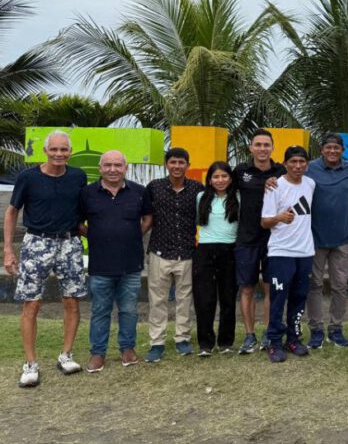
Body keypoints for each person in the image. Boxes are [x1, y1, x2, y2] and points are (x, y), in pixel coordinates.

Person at [4, 130, 87, 387]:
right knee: (32, 304)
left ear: (70, 152)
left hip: (70, 243)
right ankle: (30, 363)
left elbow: (82, 215)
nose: (59, 154)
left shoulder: (78, 177)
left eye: (64, 150)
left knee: (71, 301)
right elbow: (11, 212)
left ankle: (66, 355)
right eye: (54, 149)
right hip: (36, 242)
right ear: (45, 151)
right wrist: (8, 250)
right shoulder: (27, 177)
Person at [79, 151, 152, 373]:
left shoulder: (139, 192)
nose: (113, 169)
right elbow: (77, 222)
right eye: (108, 165)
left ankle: (127, 349)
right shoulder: (87, 193)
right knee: (100, 310)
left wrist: (132, 234)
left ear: (125, 167)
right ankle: (98, 353)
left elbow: (148, 218)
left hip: (130, 263)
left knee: (129, 310)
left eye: (118, 165)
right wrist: (94, 236)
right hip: (100, 264)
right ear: (100, 168)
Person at [143, 147, 204, 362]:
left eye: (181, 163)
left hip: (187, 252)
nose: (177, 166)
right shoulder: (154, 188)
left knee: (184, 299)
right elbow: (146, 218)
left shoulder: (197, 188)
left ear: (188, 165)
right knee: (157, 299)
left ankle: (182, 339)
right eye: (173, 162)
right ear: (166, 164)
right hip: (159, 252)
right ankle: (157, 342)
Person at [261, 146, 316, 362]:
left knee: (299, 298)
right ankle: (274, 342)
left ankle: (293, 339)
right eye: (293, 162)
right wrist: (279, 218)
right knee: (278, 298)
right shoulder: (275, 186)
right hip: (280, 252)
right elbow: (264, 222)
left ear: (307, 165)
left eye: (302, 162)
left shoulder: (310, 184)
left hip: (305, 252)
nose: (297, 166)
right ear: (285, 164)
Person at [233, 129, 286, 354]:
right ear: (251, 148)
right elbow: (219, 188)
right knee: (246, 288)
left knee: (270, 288)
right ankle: (249, 335)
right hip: (246, 238)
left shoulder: (281, 171)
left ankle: (268, 333)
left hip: (275, 239)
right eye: (258, 145)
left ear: (273, 148)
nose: (262, 149)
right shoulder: (240, 171)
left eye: (267, 145)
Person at [305, 134, 348, 349]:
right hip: (315, 238)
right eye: (329, 148)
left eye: (336, 148)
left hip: (343, 238)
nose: (333, 151)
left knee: (340, 286)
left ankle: (336, 329)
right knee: (314, 285)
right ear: (322, 149)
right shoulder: (309, 168)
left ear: (342, 150)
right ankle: (316, 330)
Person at [192, 161, 240, 356]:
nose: (220, 180)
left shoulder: (238, 198)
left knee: (228, 298)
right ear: (210, 180)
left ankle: (226, 342)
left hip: (230, 250)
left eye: (224, 176)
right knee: (205, 299)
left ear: (230, 178)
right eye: (216, 177)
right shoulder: (200, 197)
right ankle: (205, 343)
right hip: (204, 251)